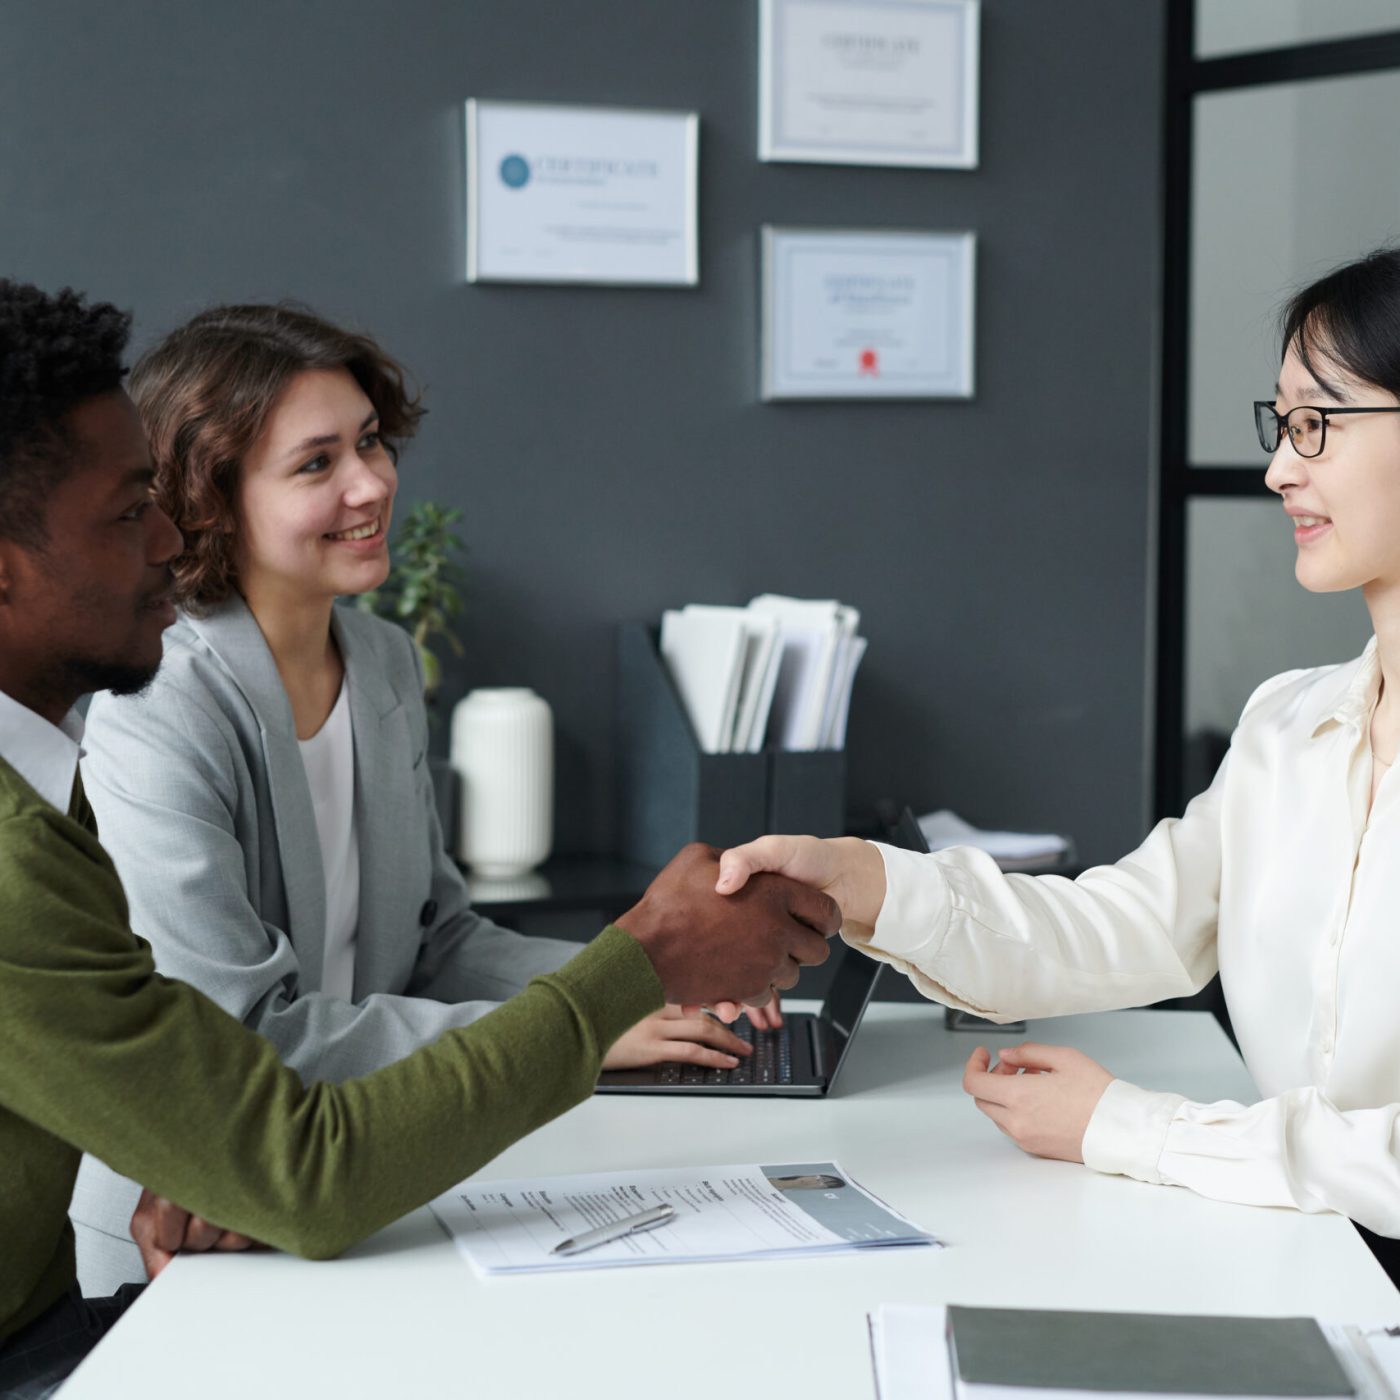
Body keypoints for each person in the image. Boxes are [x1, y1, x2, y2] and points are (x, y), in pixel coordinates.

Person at [0, 278, 838, 1398]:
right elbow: (258, 1067)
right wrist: (611, 992)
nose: (371, 483)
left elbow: (436, 933)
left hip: (277, 1201)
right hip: (188, 1247)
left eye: (372, 443)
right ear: (218, 493)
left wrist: (644, 990)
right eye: (316, 462)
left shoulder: (380, 661)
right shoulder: (141, 718)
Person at [716, 247, 1400, 1285]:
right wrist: (867, 881)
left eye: (1316, 422)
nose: (1276, 467)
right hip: (1293, 1257)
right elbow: (1127, 925)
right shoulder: (1285, 727)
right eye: (1279, 424)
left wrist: (1131, 1126)